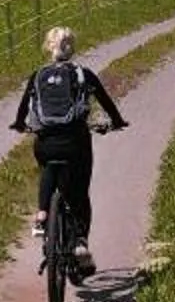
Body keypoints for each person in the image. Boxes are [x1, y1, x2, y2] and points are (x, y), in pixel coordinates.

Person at [12, 26, 126, 273]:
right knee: (80, 190)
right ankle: (80, 242)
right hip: (75, 142)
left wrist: (20, 125)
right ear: (71, 47)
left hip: (45, 141)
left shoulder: (38, 75)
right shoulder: (82, 74)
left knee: (48, 169)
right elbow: (106, 101)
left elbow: (23, 109)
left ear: (48, 47)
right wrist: (117, 122)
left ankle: (42, 216)